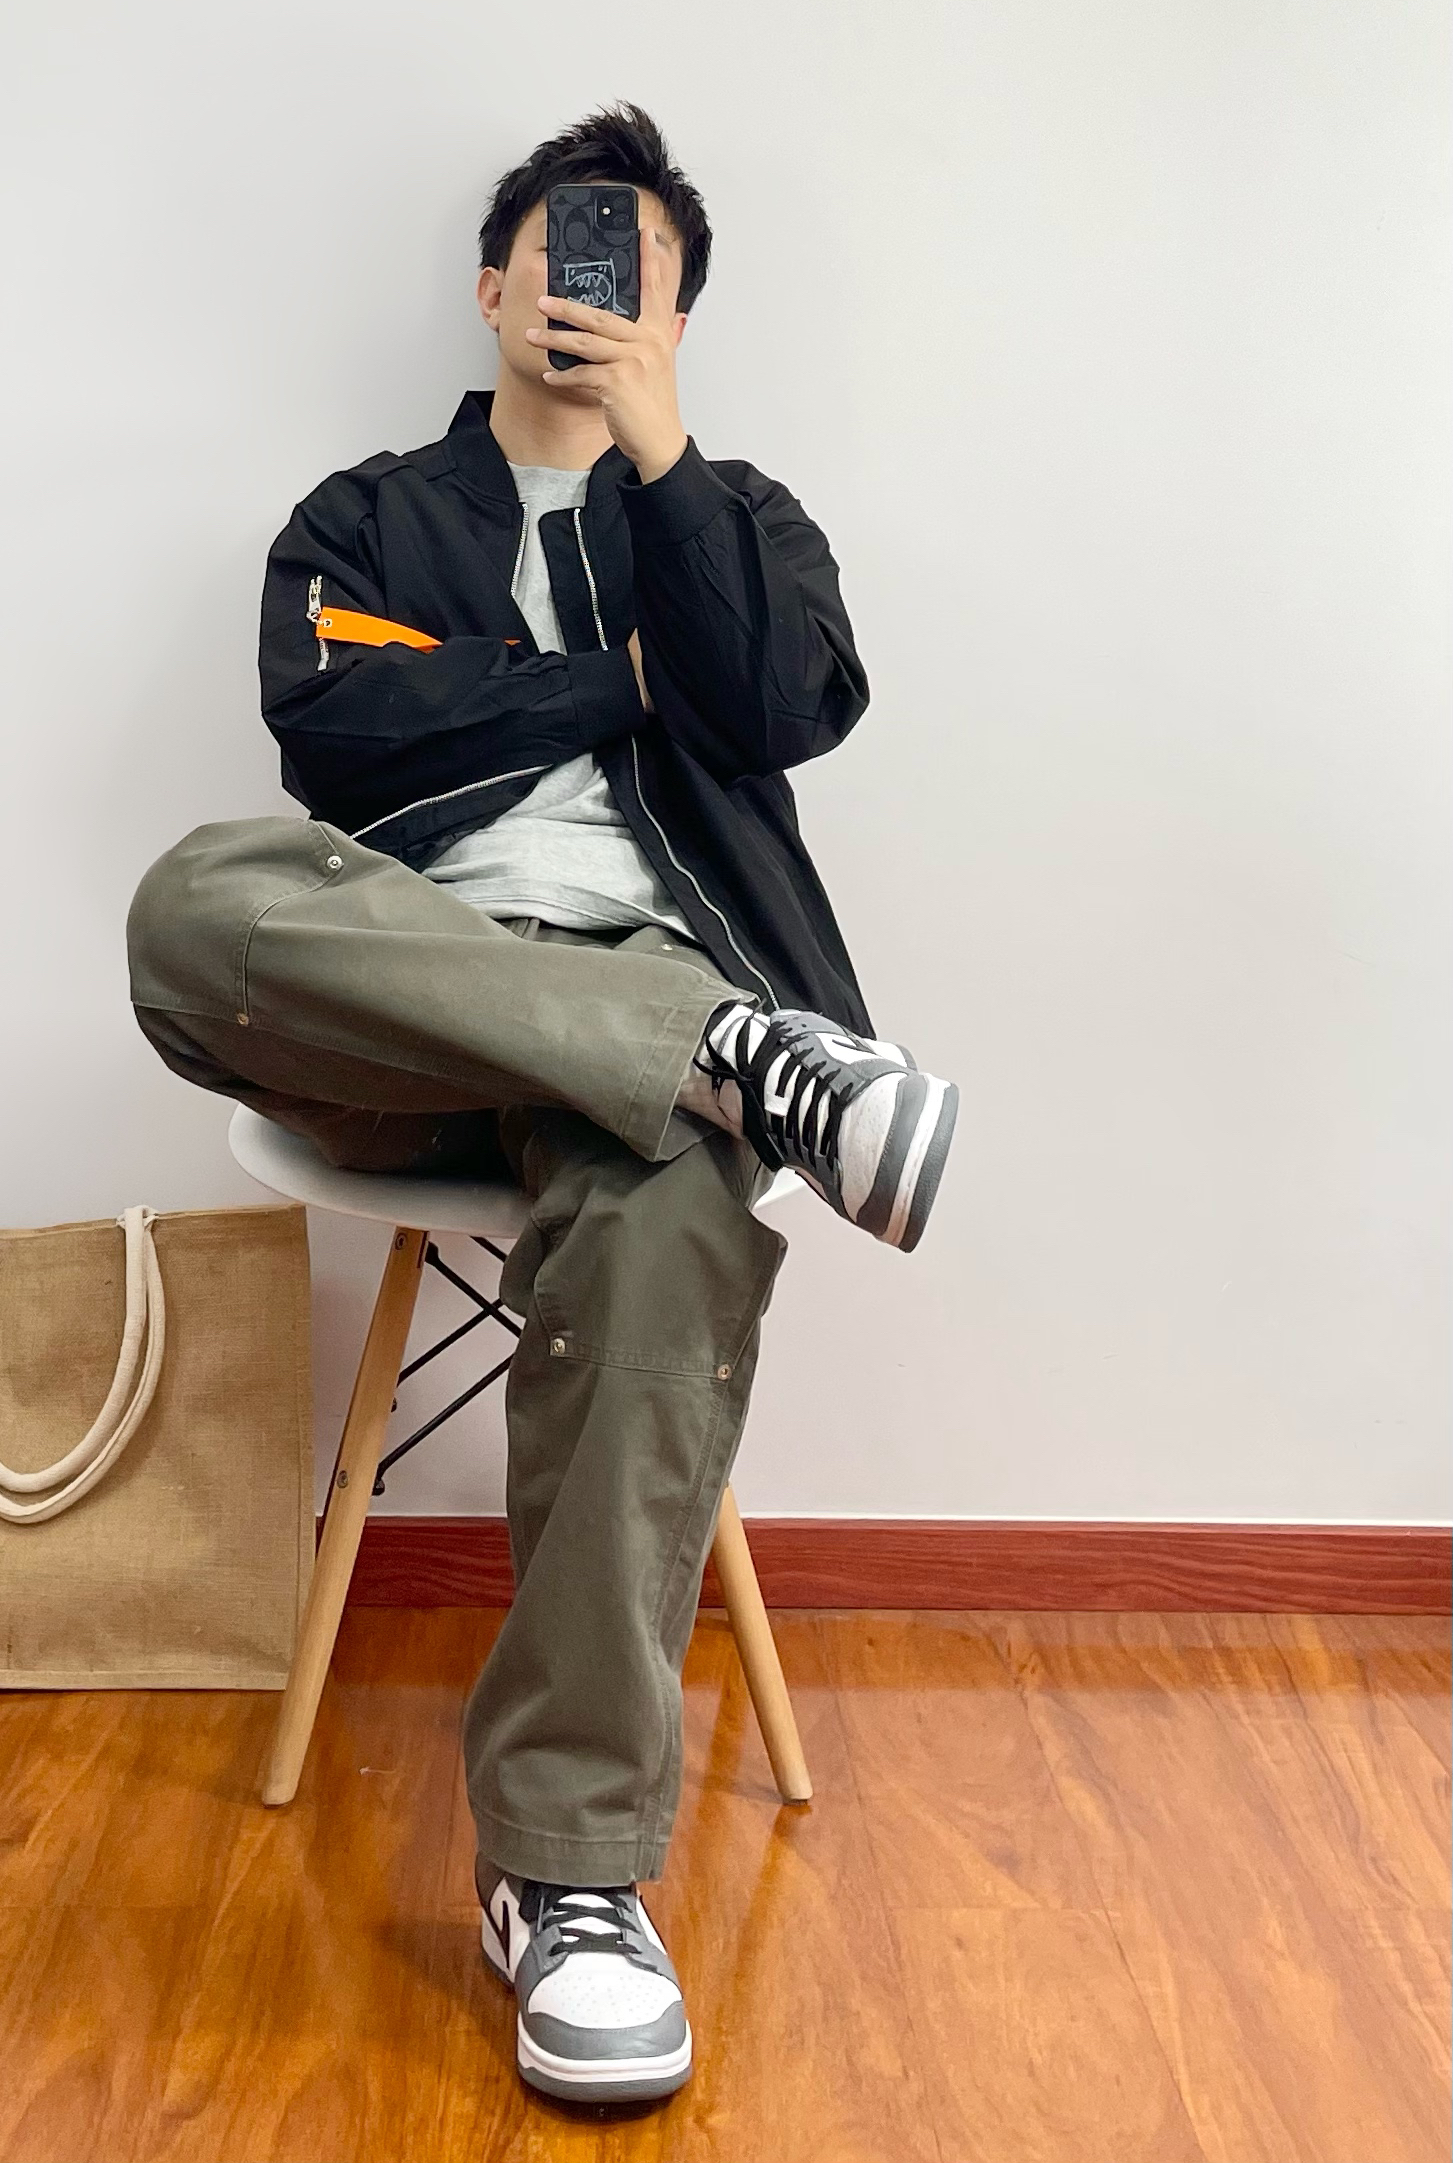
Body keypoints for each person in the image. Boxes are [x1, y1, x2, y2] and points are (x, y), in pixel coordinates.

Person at [126, 103, 958, 2108]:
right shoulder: (364, 516)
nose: (588, 295)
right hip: (410, 1018)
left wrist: (663, 479)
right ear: (493, 282)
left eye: (633, 277)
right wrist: (618, 681)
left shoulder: (740, 518)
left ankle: (568, 1883)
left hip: (646, 1036)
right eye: (560, 257)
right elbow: (338, 731)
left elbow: (781, 706)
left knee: (666, 1207)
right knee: (193, 901)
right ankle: (723, 1056)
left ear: (674, 321)